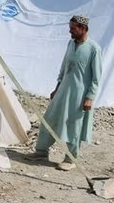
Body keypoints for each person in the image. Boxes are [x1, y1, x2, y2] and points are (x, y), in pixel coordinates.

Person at [30, 15, 103, 172]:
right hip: (63, 90)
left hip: (79, 94)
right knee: (49, 119)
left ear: (83, 29)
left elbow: (96, 78)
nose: (70, 31)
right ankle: (41, 152)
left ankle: (70, 158)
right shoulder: (71, 43)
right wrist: (57, 87)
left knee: (73, 126)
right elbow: (64, 67)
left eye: (73, 28)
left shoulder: (93, 49)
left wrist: (90, 97)